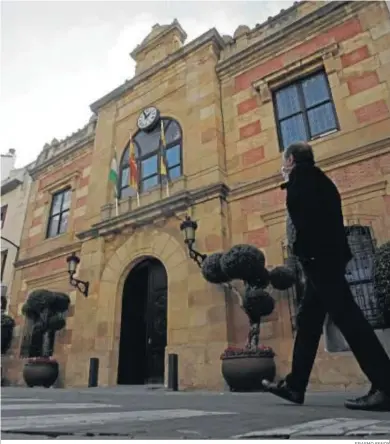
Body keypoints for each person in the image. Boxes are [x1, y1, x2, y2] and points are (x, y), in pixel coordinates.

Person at [262, 141, 390, 411]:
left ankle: (386, 385)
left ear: (292, 160)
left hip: (320, 262)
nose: (283, 167)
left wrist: (304, 254)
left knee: (349, 319)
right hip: (325, 261)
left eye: (285, 162)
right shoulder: (320, 180)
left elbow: (306, 224)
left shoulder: (302, 180)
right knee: (308, 323)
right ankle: (295, 386)